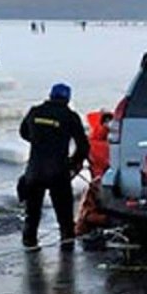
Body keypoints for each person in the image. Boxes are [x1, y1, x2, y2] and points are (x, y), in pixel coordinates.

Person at [19, 83, 89, 250]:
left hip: (34, 169)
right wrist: (74, 162)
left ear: (50, 95)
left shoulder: (35, 112)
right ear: (67, 99)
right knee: (64, 212)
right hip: (58, 170)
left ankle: (29, 241)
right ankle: (67, 243)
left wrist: (39, 142)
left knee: (32, 210)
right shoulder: (69, 116)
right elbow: (83, 146)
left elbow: (23, 132)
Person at [75, 109, 114, 236]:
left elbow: (78, 162)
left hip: (98, 185)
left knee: (87, 210)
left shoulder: (90, 144)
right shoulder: (116, 143)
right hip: (112, 183)